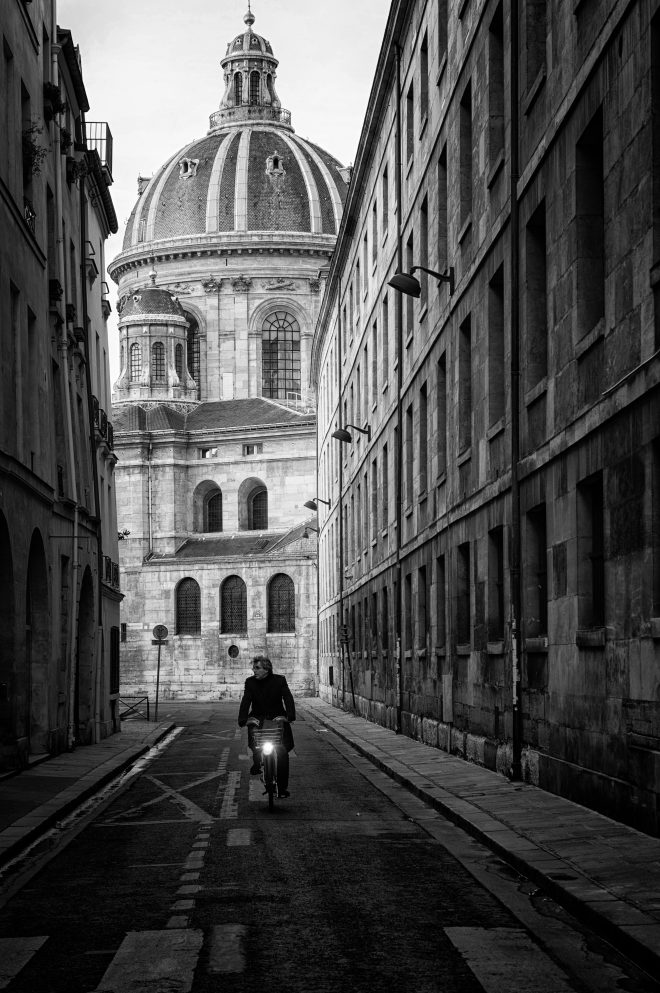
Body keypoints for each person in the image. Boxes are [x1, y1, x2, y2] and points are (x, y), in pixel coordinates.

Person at [238, 655, 296, 797]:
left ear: (267, 669)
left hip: (277, 719)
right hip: (258, 719)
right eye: (253, 668)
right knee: (255, 742)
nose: (254, 670)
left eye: (257, 668)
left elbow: (288, 698)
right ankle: (257, 762)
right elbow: (246, 701)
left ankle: (281, 788)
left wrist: (288, 717)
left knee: (282, 752)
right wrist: (244, 719)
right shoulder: (250, 682)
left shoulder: (280, 680)